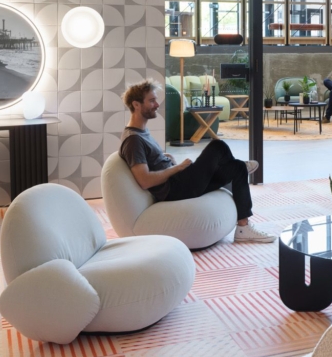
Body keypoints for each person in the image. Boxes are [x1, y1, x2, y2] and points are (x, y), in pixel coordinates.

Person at [118, 79, 275, 243]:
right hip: (176, 188)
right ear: (136, 105)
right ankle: (231, 178)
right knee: (217, 146)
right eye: (152, 101)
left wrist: (166, 159)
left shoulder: (141, 132)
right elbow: (144, 181)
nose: (157, 104)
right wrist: (177, 168)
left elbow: (150, 162)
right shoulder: (133, 140)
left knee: (238, 169)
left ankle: (243, 227)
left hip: (180, 182)